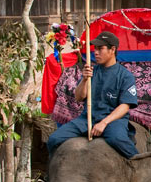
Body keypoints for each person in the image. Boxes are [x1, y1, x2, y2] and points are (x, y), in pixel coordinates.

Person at [46, 31, 139, 159]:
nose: (96, 52)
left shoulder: (125, 76)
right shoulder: (91, 71)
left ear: (112, 49)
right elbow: (79, 97)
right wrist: (84, 79)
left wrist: (104, 123)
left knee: (117, 139)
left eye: (100, 48)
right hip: (87, 118)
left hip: (113, 121)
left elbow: (125, 106)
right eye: (95, 49)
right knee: (54, 139)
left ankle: (141, 164)